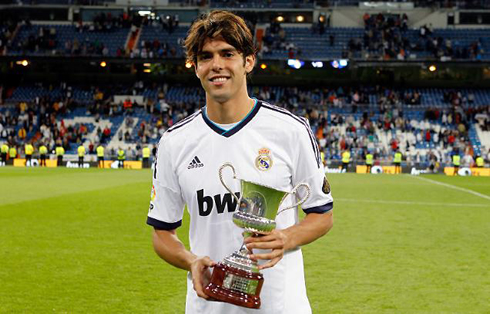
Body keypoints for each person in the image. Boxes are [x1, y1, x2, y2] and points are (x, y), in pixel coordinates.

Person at [147, 10, 334, 314]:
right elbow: (162, 233)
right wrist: (191, 261)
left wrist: (285, 237)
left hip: (281, 306)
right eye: (205, 56)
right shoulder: (174, 142)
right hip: (207, 307)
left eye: (227, 53)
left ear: (248, 61)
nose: (216, 65)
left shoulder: (290, 131)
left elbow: (322, 215)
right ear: (195, 67)